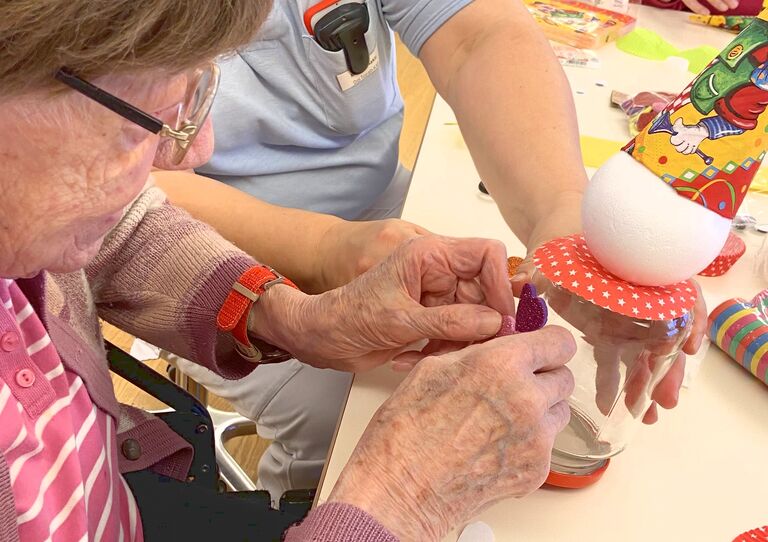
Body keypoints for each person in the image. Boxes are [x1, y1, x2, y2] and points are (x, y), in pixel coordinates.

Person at [0, 1, 581, 540]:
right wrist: (402, 499)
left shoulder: (33, 212)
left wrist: (290, 316)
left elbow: (120, 229)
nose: (195, 151)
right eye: (145, 118)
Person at [152, 0, 704, 501]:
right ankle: (299, 498)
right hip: (194, 251)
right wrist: (321, 250)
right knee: (360, 431)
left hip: (383, 208)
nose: (198, 138)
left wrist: (565, 221)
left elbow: (479, 35)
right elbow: (127, 193)